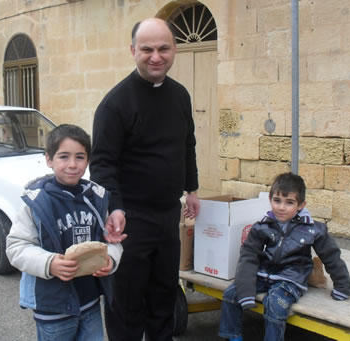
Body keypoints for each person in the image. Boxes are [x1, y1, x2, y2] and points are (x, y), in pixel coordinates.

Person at [90, 17, 200, 341]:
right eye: (147, 49)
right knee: (127, 301)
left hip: (168, 216)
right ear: (132, 50)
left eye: (163, 48)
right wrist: (115, 208)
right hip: (130, 222)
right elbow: (102, 165)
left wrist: (191, 188)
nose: (156, 56)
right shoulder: (114, 104)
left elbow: (187, 143)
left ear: (174, 49)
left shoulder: (180, 95)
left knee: (164, 293)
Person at [6, 124, 124, 341]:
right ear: (49, 159)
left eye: (80, 157)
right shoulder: (37, 203)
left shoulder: (96, 200)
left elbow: (113, 241)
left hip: (90, 304)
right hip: (53, 309)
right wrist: (49, 263)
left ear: (88, 160)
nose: (72, 164)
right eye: (63, 157)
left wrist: (111, 258)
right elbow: (16, 247)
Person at [218, 172, 350, 341]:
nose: (281, 207)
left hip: (291, 279)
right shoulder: (262, 226)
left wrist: (343, 287)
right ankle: (233, 337)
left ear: (301, 205)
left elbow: (331, 257)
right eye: (277, 200)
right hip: (264, 273)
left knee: (275, 304)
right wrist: (245, 291)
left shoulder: (313, 229)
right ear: (270, 199)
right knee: (231, 294)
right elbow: (249, 256)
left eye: (289, 202)